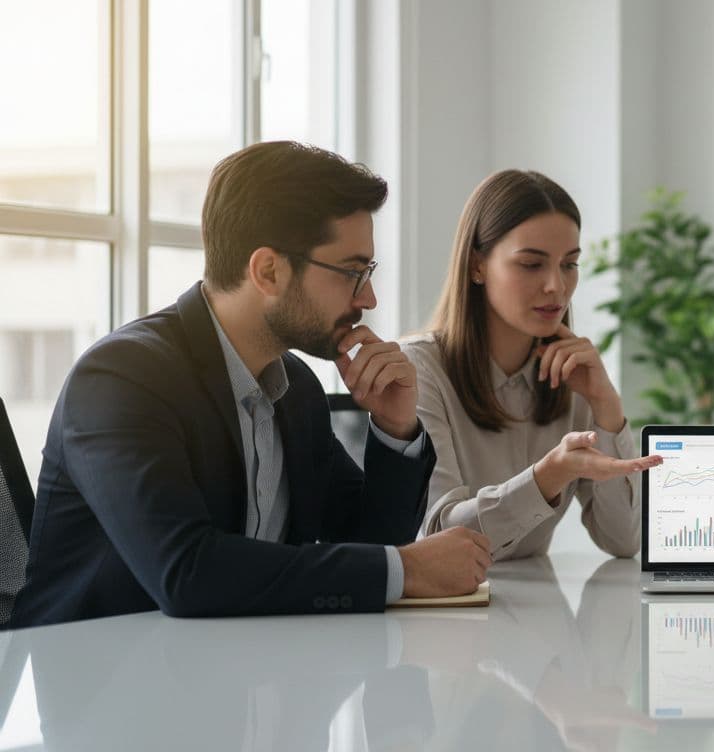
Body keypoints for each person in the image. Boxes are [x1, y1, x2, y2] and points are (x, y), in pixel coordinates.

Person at [11, 141, 490, 628]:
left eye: (367, 272)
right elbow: (186, 572)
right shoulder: (121, 379)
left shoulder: (294, 387)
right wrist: (405, 569)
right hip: (100, 680)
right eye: (351, 272)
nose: (367, 298)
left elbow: (370, 544)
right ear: (268, 271)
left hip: (232, 676)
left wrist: (395, 428)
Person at [402, 170, 661, 560]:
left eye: (569, 264)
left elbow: (623, 541)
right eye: (531, 264)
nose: (556, 286)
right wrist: (547, 476)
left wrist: (606, 407)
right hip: (446, 613)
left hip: (538, 609)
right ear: (476, 266)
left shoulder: (574, 378)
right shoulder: (419, 368)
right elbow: (442, 535)